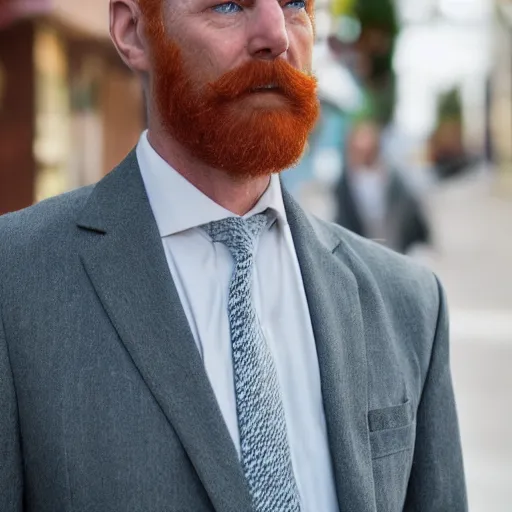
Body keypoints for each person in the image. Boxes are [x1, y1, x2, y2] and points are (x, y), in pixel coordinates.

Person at [0, 1, 466, 511]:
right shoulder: (16, 284)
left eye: (294, 4)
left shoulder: (409, 304)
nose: (276, 34)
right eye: (228, 4)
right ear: (133, 31)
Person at [335, 120, 431, 254]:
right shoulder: (344, 183)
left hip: (395, 246)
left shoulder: (392, 176)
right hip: (362, 249)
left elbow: (410, 207)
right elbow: (342, 218)